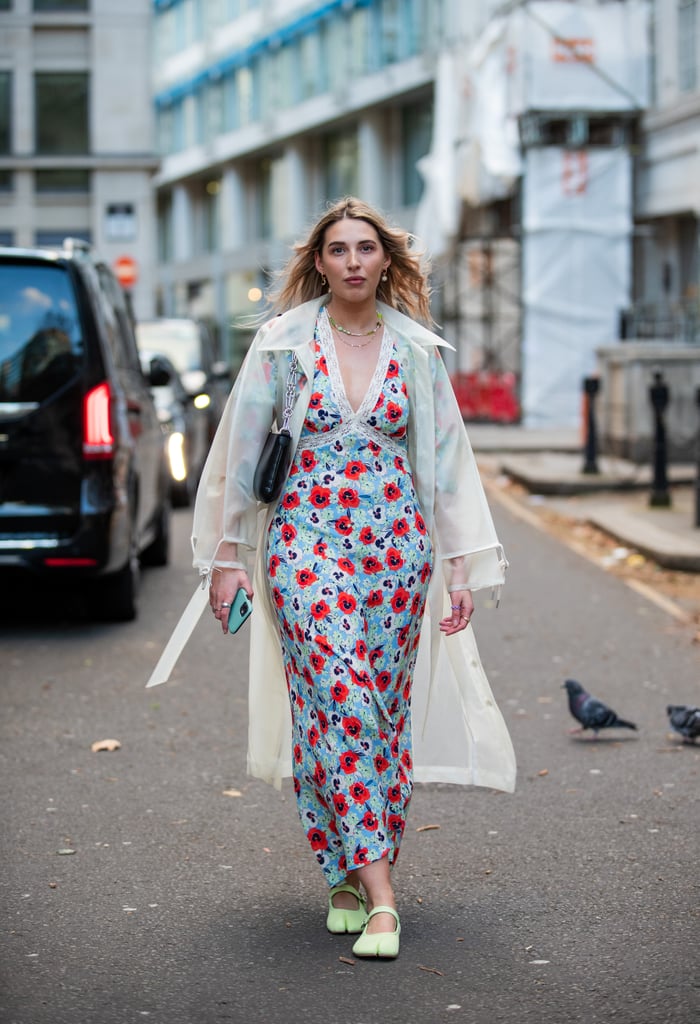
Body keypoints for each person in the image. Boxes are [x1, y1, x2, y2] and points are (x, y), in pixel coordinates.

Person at [191, 197, 515, 960]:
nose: (353, 262)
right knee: (341, 696)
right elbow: (240, 460)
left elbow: (446, 470)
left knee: (375, 716)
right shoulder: (282, 347)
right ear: (319, 263)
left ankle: (341, 866)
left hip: (398, 556)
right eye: (338, 250)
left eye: (366, 248)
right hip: (304, 549)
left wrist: (460, 566)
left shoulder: (417, 351)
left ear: (387, 261)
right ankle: (381, 901)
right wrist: (227, 558)